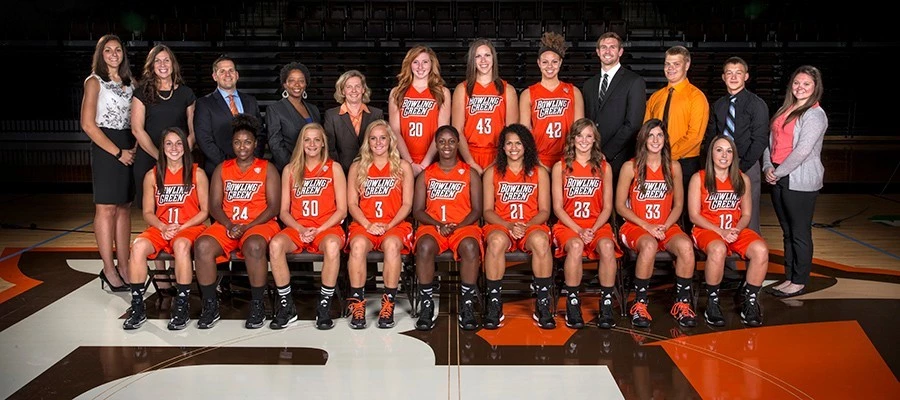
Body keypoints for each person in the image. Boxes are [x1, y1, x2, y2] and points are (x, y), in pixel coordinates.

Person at [193, 114, 281, 329]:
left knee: (254, 245)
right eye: (237, 142)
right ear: (231, 144)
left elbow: (274, 207)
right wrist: (230, 225)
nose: (242, 147)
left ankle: (258, 305)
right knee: (202, 245)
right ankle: (210, 305)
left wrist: (248, 226)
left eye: (247, 142)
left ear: (255, 144)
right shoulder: (222, 168)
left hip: (259, 224)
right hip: (229, 224)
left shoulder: (267, 168)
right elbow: (214, 205)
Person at [123, 127, 209, 330]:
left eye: (179, 143)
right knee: (137, 246)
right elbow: (147, 212)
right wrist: (163, 226)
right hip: (162, 227)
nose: (174, 148)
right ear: (162, 148)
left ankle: (182, 305)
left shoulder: (197, 173)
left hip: (189, 226)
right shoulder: (152, 176)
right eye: (169, 144)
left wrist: (181, 227)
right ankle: (138, 306)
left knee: (181, 245)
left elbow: (205, 211)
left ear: (185, 147)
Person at [615, 119, 697, 328]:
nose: (655, 140)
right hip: (636, 226)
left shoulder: (673, 167)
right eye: (650, 135)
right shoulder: (630, 167)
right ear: (643, 139)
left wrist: (665, 226)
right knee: (649, 245)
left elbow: (679, 205)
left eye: (659, 135)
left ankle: (682, 304)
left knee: (686, 247)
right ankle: (640, 304)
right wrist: (647, 226)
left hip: (665, 226)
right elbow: (620, 206)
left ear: (665, 140)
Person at [268, 123, 347, 330]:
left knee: (332, 246)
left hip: (326, 228)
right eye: (307, 140)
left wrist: (319, 230)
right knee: (275, 245)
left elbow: (342, 210)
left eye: (316, 140)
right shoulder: (290, 170)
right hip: (298, 228)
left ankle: (324, 306)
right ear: (301, 144)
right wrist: (301, 229)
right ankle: (287, 307)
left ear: (323, 144)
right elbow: (284, 211)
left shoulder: (334, 168)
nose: (312, 144)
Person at [763, 65, 828, 298]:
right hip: (779, 176)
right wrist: (768, 166)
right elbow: (770, 142)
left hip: (799, 180)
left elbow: (802, 151)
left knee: (799, 233)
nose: (800, 87)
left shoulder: (815, 115)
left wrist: (778, 172)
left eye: (806, 84)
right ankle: (789, 277)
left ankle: (799, 281)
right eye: (797, 83)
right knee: (787, 233)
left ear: (815, 88)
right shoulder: (785, 109)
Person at [703, 56, 770, 282]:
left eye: (738, 73)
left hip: (745, 166)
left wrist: (740, 169)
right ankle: (727, 268)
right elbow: (712, 137)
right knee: (722, 214)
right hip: (719, 167)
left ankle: (752, 272)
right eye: (729, 73)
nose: (733, 77)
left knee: (749, 218)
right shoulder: (719, 105)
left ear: (746, 76)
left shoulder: (757, 104)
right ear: (723, 77)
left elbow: (759, 140)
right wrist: (715, 165)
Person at [689, 135, 767, 327]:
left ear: (734, 155)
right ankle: (712, 303)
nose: (724, 155)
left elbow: (746, 214)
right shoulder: (699, 178)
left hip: (734, 230)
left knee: (761, 250)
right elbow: (694, 216)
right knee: (718, 249)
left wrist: (736, 229)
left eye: (729, 151)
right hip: (707, 230)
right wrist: (720, 232)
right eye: (719, 150)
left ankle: (750, 302)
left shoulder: (742, 179)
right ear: (711, 154)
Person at [412, 125, 483, 331]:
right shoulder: (426, 174)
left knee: (470, 247)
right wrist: (438, 225)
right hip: (434, 227)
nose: (446, 146)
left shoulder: (470, 173)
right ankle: (427, 305)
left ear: (458, 144)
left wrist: (458, 226)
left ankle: (467, 305)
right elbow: (417, 210)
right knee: (424, 246)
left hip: (463, 226)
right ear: (435, 144)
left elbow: (477, 210)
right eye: (442, 141)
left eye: (451, 141)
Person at [551, 118, 620, 329]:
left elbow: (607, 207)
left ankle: (606, 303)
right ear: (572, 139)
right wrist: (579, 230)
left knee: (607, 246)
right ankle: (573, 302)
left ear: (595, 140)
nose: (584, 140)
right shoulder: (560, 167)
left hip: (596, 224)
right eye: (579, 136)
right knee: (575, 245)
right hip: (569, 225)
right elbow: (558, 208)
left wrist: (592, 229)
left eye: (589, 136)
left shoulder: (604, 167)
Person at [482, 124, 553, 329]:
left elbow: (545, 211)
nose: (513, 148)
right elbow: (487, 211)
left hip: (530, 225)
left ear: (526, 146)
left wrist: (525, 225)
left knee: (541, 241)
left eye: (518, 143)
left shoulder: (539, 172)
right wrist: (508, 225)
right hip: (502, 225)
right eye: (509, 143)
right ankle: (494, 302)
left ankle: (543, 303)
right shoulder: (492, 173)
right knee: (496, 242)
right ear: (502, 147)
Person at [345, 120, 415, 329]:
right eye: (373, 138)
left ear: (390, 140)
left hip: (395, 224)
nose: (378, 142)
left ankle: (388, 303)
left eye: (383, 137)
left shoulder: (403, 166)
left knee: (392, 245)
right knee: (358, 246)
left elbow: (407, 204)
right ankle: (358, 303)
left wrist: (388, 225)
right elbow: (352, 204)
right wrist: (368, 225)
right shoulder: (357, 167)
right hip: (364, 224)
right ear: (367, 142)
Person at [80, 34, 136, 291]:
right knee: (106, 209)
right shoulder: (94, 82)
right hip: (107, 145)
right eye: (108, 50)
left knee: (124, 207)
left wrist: (133, 147)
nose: (114, 54)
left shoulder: (131, 82)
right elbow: (87, 124)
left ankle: (124, 266)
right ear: (100, 55)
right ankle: (109, 269)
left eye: (118, 50)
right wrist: (117, 152)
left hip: (128, 143)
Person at [644, 45, 708, 230]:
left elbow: (695, 137)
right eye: (667, 64)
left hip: (685, 163)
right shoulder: (656, 97)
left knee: (685, 213)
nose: (670, 68)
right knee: (659, 210)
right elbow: (645, 131)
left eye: (676, 64)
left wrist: (667, 156)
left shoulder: (696, 97)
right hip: (655, 164)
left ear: (687, 65)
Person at [131, 44, 196, 205]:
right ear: (151, 66)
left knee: (181, 207)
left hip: (178, 158)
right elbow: (137, 130)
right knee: (150, 210)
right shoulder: (141, 93)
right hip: (148, 157)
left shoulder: (186, 93)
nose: (162, 65)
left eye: (166, 60)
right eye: (157, 61)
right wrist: (160, 157)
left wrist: (178, 155)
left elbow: (193, 131)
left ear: (173, 64)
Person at [582, 32, 646, 185]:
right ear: (598, 52)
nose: (607, 51)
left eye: (612, 47)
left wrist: (606, 153)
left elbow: (633, 124)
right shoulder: (588, 85)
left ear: (620, 51)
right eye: (603, 47)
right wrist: (591, 151)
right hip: (590, 155)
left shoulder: (634, 81)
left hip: (619, 157)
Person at [451, 38, 519, 173]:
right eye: (478, 56)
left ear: (493, 58)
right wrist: (470, 162)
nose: (483, 60)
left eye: (487, 55)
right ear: (472, 60)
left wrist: (496, 162)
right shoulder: (462, 89)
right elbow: (457, 130)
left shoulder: (508, 90)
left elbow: (511, 133)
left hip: (498, 155)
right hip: (468, 154)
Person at [519, 32, 585, 169]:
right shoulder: (528, 94)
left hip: (567, 158)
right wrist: (535, 160)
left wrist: (571, 158)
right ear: (538, 63)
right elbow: (525, 133)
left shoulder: (574, 92)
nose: (550, 66)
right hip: (538, 159)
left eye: (554, 62)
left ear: (560, 62)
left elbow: (579, 131)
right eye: (545, 62)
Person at [195, 56, 265, 178]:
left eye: (231, 70)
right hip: (219, 170)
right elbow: (204, 139)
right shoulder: (204, 103)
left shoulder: (250, 101)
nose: (227, 74)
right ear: (214, 76)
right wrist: (229, 164)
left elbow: (260, 133)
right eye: (222, 71)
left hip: (251, 169)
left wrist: (252, 160)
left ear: (237, 75)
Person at [389, 46, 452, 175]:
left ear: (432, 64)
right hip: (403, 159)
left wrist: (424, 164)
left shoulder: (442, 92)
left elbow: (441, 131)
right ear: (409, 64)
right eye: (415, 62)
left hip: (432, 160)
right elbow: (394, 130)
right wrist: (410, 164)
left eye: (425, 62)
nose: (420, 67)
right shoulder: (397, 92)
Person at [323, 70, 385, 174]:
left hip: (372, 172)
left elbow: (383, 144)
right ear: (343, 91)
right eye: (349, 87)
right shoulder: (331, 115)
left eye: (357, 86)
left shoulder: (377, 114)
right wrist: (339, 172)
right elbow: (330, 149)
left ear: (363, 89)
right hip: (343, 172)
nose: (354, 90)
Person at [267, 62, 322, 171]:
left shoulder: (313, 109)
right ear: (285, 84)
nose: (297, 84)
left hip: (313, 168)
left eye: (301, 81)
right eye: (292, 80)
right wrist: (292, 168)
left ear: (306, 84)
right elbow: (275, 144)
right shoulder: (275, 109)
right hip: (289, 168)